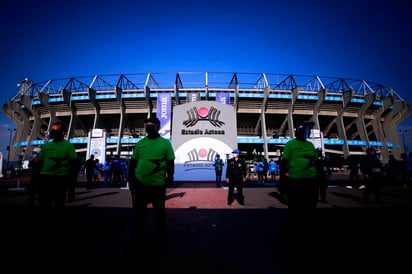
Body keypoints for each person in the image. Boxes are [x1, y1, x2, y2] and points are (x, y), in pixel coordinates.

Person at [128, 116, 175, 245]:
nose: (148, 127)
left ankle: (160, 238)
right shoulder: (141, 143)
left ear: (158, 127)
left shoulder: (165, 143)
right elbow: (133, 163)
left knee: (159, 213)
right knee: (139, 213)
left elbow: (170, 163)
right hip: (140, 184)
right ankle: (138, 237)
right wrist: (131, 180)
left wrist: (170, 178)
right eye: (147, 125)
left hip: (158, 185)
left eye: (151, 125)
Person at [36, 122, 81, 212]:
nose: (53, 132)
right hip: (45, 178)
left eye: (56, 130)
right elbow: (38, 163)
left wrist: (71, 189)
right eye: (52, 130)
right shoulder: (46, 146)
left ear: (63, 133)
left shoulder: (68, 146)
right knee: (44, 204)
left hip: (60, 179)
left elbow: (74, 165)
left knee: (59, 204)